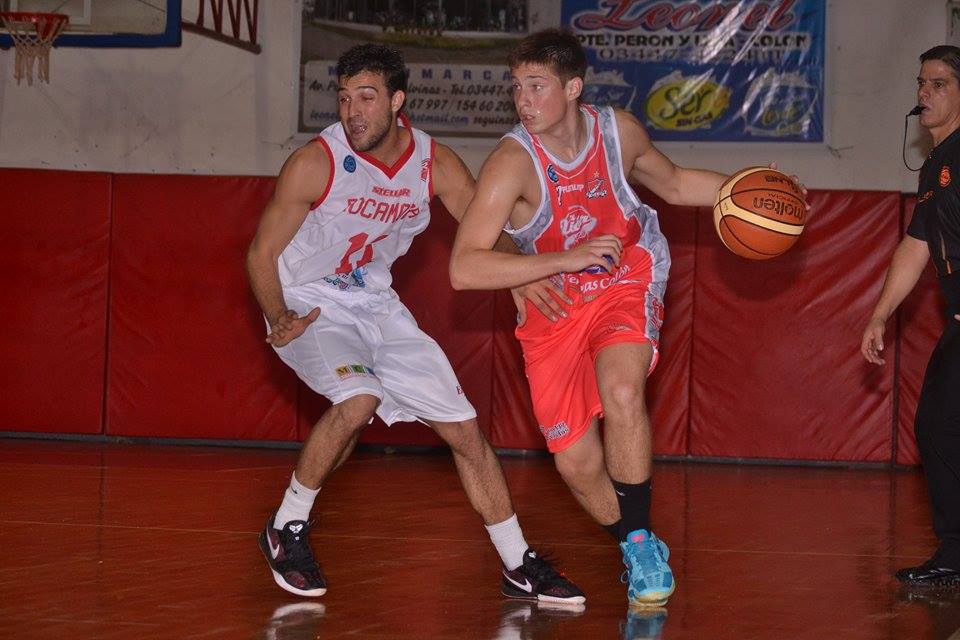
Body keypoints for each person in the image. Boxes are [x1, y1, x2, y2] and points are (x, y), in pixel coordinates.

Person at [450, 29, 802, 608]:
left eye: (536, 86)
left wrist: (757, 191)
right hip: (555, 302)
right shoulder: (511, 162)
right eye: (516, 87)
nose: (523, 100)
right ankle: (636, 539)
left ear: (573, 88)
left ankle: (638, 544)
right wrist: (560, 260)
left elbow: (676, 183)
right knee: (576, 463)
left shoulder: (619, 133)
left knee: (621, 388)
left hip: (625, 276)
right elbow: (464, 267)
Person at [246, 43, 584, 604]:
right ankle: (286, 526)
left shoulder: (434, 163)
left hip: (375, 302)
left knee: (465, 432)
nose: (352, 112)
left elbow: (483, 229)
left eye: (366, 98)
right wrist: (278, 313)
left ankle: (518, 564)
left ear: (397, 101)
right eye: (344, 98)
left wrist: (522, 275)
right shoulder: (315, 162)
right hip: (308, 302)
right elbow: (261, 253)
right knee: (360, 398)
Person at [861, 45, 960, 588]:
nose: (925, 92)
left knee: (940, 424)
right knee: (940, 425)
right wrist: (880, 314)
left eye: (939, 84)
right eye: (922, 82)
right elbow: (916, 245)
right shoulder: (936, 164)